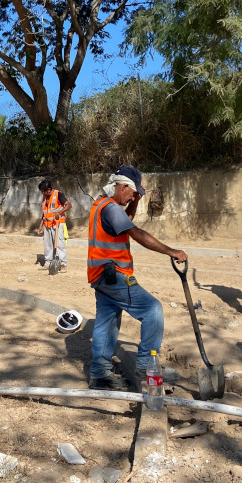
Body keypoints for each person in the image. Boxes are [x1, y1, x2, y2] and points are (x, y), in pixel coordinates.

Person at [87, 165, 187, 390]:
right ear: (122, 187)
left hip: (100, 275)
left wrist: (136, 199)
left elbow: (126, 219)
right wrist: (171, 251)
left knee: (107, 321)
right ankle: (145, 366)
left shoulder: (102, 204)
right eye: (131, 193)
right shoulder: (111, 208)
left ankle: (99, 375)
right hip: (114, 276)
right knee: (152, 310)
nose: (131, 198)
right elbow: (136, 232)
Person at [36, 180, 72, 272]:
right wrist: (40, 226)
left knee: (59, 244)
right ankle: (48, 262)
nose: (42, 193)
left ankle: (63, 264)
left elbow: (68, 205)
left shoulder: (58, 194)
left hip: (57, 223)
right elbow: (44, 212)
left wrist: (59, 212)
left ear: (48, 190)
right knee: (47, 244)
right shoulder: (44, 197)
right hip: (46, 224)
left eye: (43, 191)